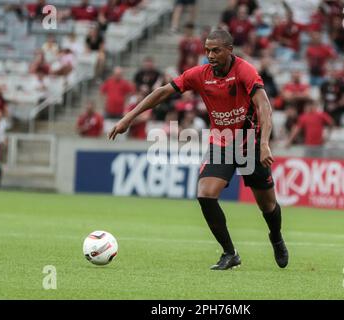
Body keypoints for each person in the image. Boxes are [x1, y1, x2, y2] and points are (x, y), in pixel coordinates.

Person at [109, 29, 289, 270]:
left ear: (229, 50)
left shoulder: (245, 71)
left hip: (250, 145)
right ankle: (229, 253)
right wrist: (128, 118)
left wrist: (265, 143)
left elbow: (264, 106)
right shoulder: (200, 75)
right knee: (205, 194)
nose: (210, 55)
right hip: (221, 143)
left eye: (216, 50)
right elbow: (162, 92)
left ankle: (276, 238)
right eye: (207, 50)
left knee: (267, 205)